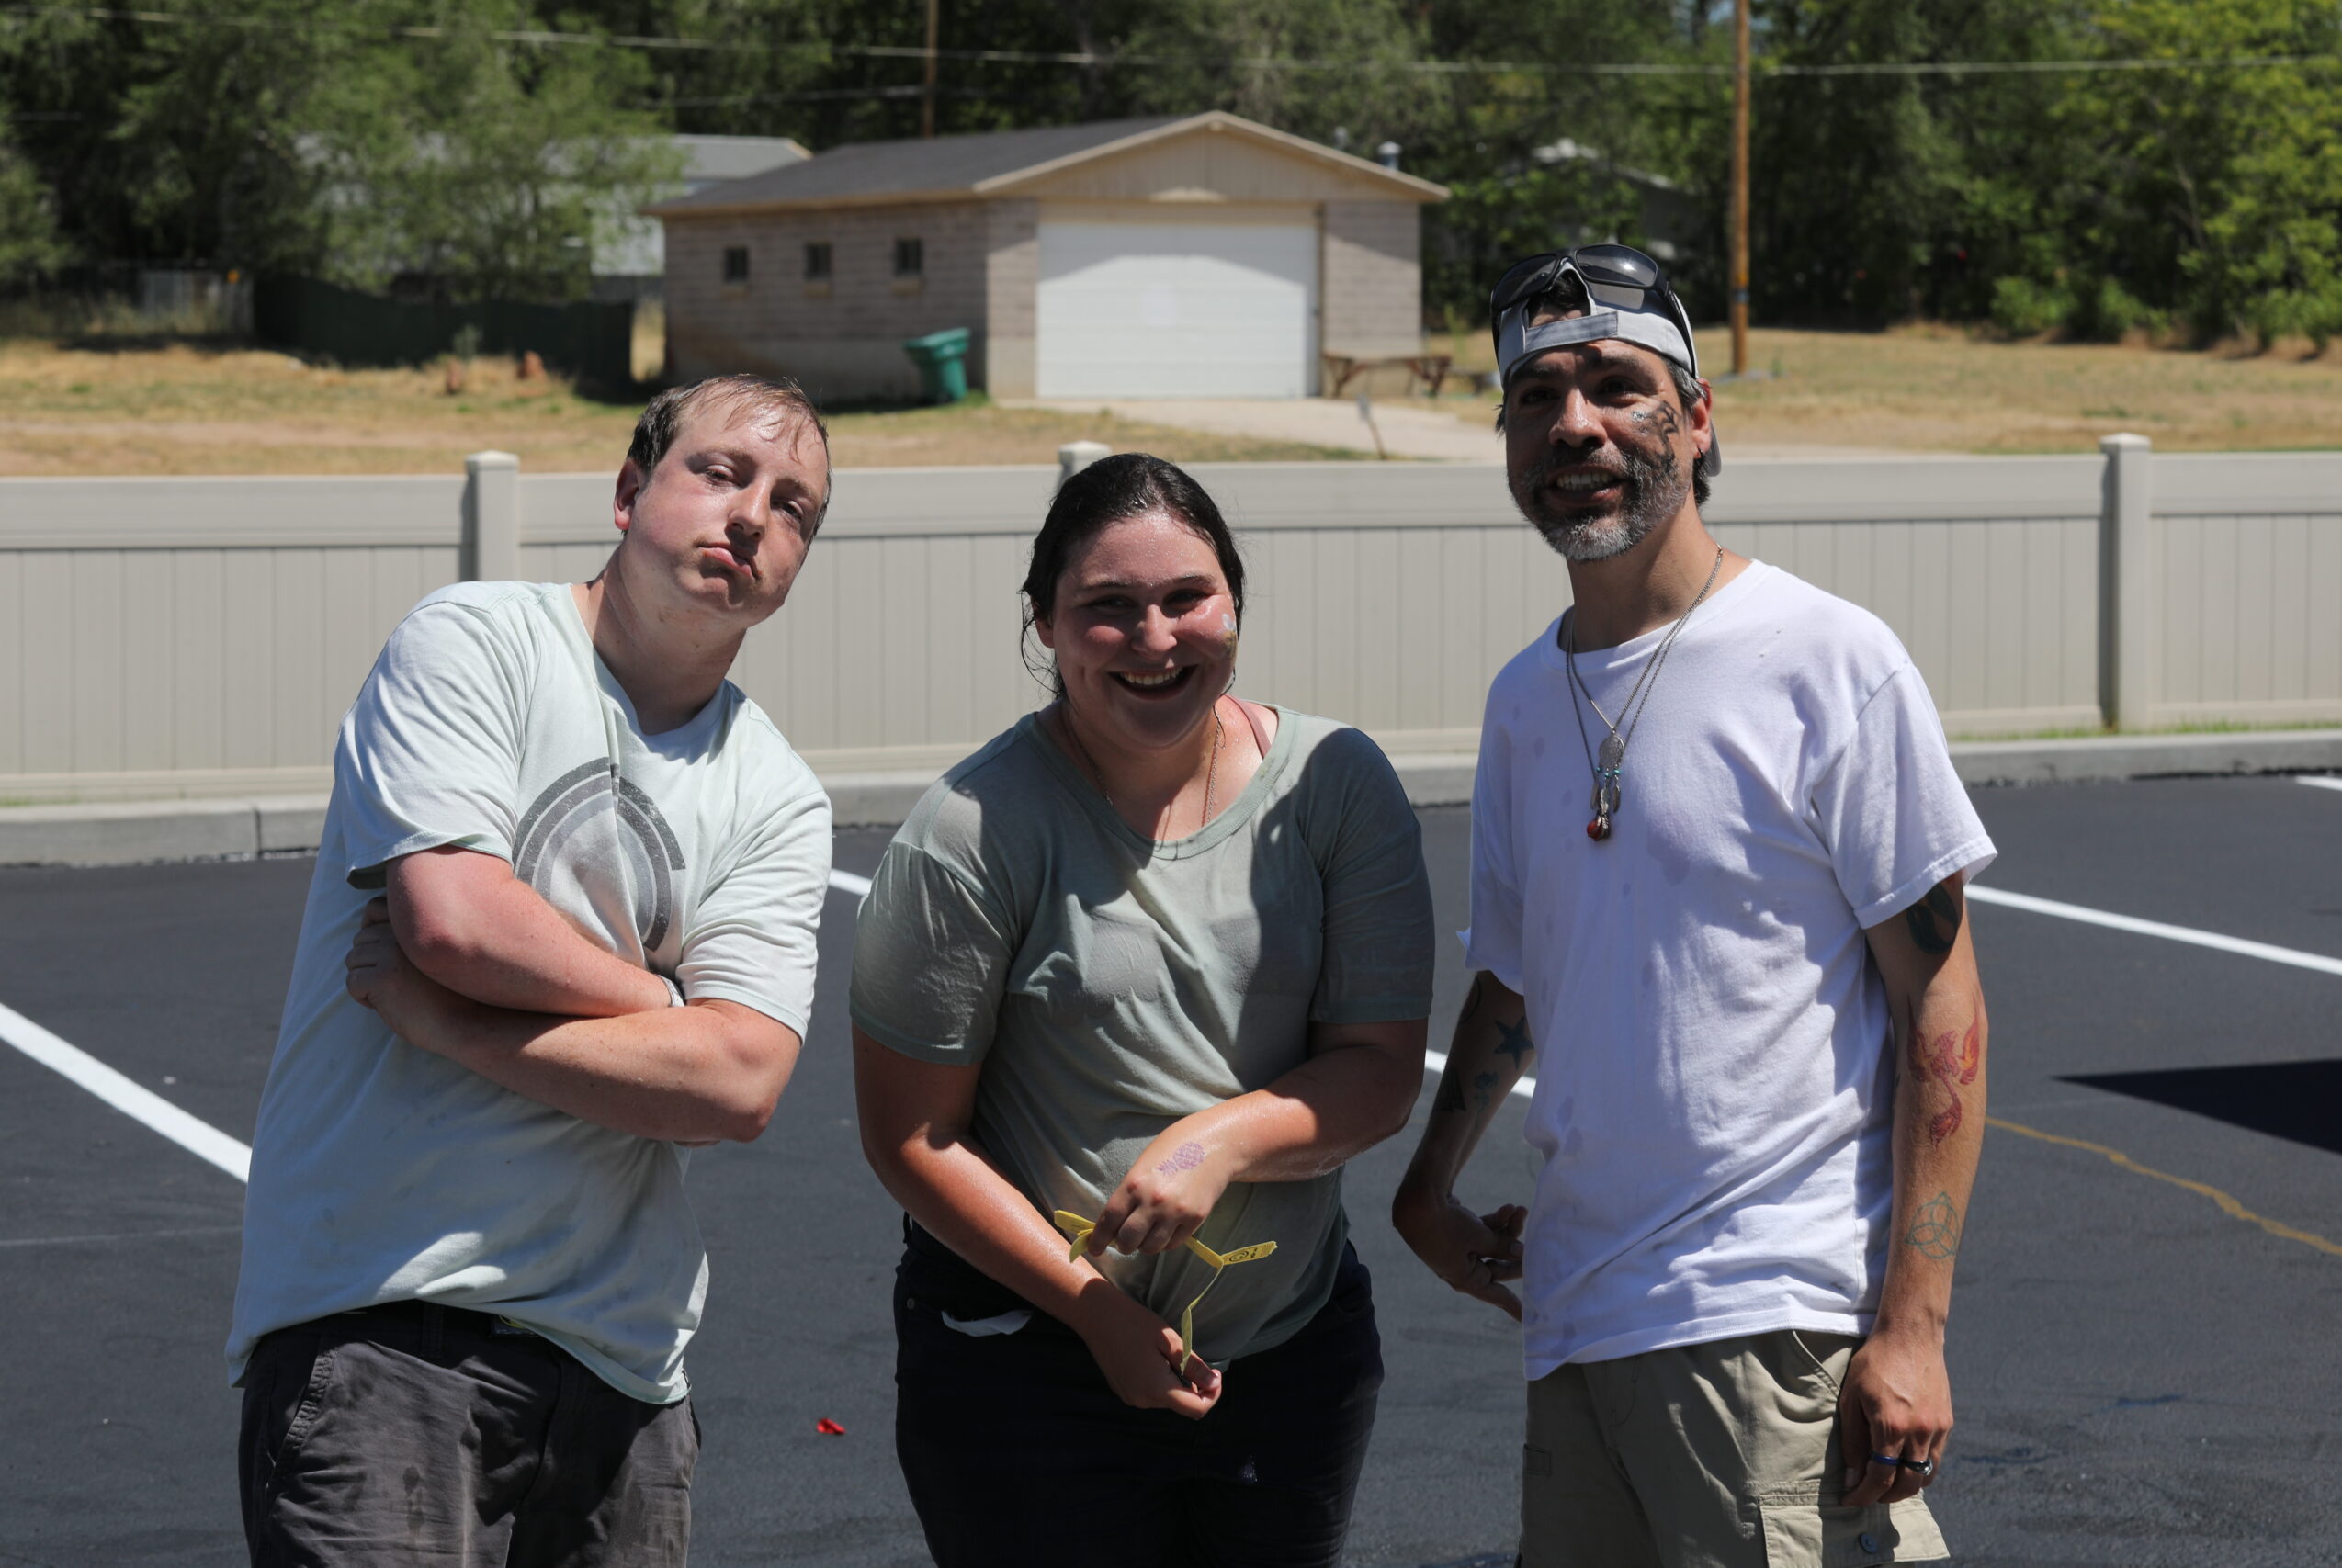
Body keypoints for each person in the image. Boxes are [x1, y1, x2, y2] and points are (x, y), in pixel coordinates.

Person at [1392, 246, 1995, 1568]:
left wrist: (1914, 1324)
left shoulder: (1825, 658)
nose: (1576, 425)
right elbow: (1520, 972)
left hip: (1770, 1328)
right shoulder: (1519, 702)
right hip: (1578, 1316)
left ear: (1699, 415)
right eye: (1537, 396)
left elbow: (1940, 993)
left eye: (1617, 384)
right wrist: (1428, 1183)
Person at [227, 374, 835, 1567]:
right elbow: (452, 916)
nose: (755, 513)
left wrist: (457, 1027)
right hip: (384, 1327)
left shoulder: (777, 792)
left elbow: (742, 1082)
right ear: (628, 490)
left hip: (624, 1372)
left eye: (796, 506)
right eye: (719, 471)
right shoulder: (474, 640)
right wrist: (667, 1008)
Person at [851, 453, 1434, 1568]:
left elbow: (1376, 1071)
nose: (1156, 638)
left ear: (1234, 604)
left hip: (1287, 1358)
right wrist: (1098, 1315)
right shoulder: (972, 830)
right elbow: (912, 1137)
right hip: (1027, 1369)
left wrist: (1215, 1144)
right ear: (1046, 628)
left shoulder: (1334, 787)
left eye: (1186, 599)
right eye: (1107, 609)